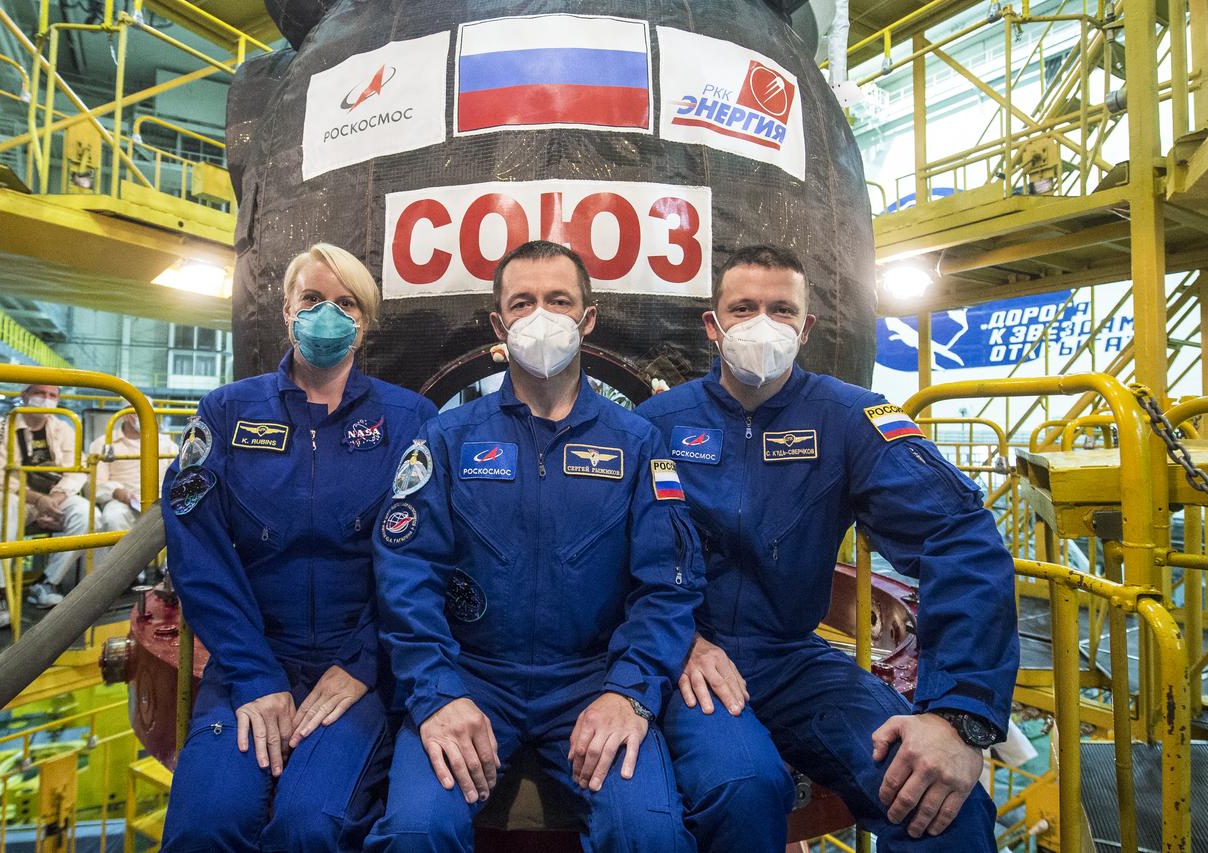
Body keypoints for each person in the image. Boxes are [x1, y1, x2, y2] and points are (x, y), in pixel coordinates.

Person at [636, 245, 1018, 851]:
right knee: (742, 793)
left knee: (943, 807)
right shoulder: (655, 424)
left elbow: (959, 537)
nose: (762, 324)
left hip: (793, 662)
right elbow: (612, 556)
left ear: (806, 327)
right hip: (690, 658)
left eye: (782, 310)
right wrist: (676, 640)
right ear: (713, 326)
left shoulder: (851, 418)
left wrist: (958, 716)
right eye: (743, 308)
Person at [366, 241, 702, 852]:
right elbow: (405, 575)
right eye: (522, 303)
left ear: (587, 319)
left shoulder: (637, 444)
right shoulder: (447, 439)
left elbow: (668, 584)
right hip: (470, 676)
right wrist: (437, 693)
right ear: (499, 325)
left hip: (592, 680)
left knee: (648, 833)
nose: (541, 316)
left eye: (559, 300)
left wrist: (630, 691)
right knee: (416, 831)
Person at [159, 243, 437, 852]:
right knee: (206, 824)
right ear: (287, 311)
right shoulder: (226, 412)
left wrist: (364, 663)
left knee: (310, 825)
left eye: (345, 303)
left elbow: (422, 560)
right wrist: (254, 674)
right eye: (312, 299)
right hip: (251, 657)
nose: (327, 315)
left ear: (364, 322)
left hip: (358, 667)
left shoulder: (409, 420)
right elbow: (198, 552)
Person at [0, 384, 90, 627]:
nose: (46, 399)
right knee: (1, 510)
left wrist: (56, 499)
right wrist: (37, 500)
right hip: (12, 496)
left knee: (85, 512)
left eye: (52, 395)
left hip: (53, 497)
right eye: (40, 393)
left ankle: (47, 582)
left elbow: (78, 469)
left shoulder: (64, 428)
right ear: (24, 395)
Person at [88, 406, 179, 549]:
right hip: (121, 501)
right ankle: (123, 563)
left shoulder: (167, 445)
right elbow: (96, 484)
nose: (144, 415)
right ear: (124, 415)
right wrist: (117, 492)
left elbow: (177, 478)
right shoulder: (104, 443)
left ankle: (165, 563)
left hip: (160, 501)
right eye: (137, 411)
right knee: (113, 517)